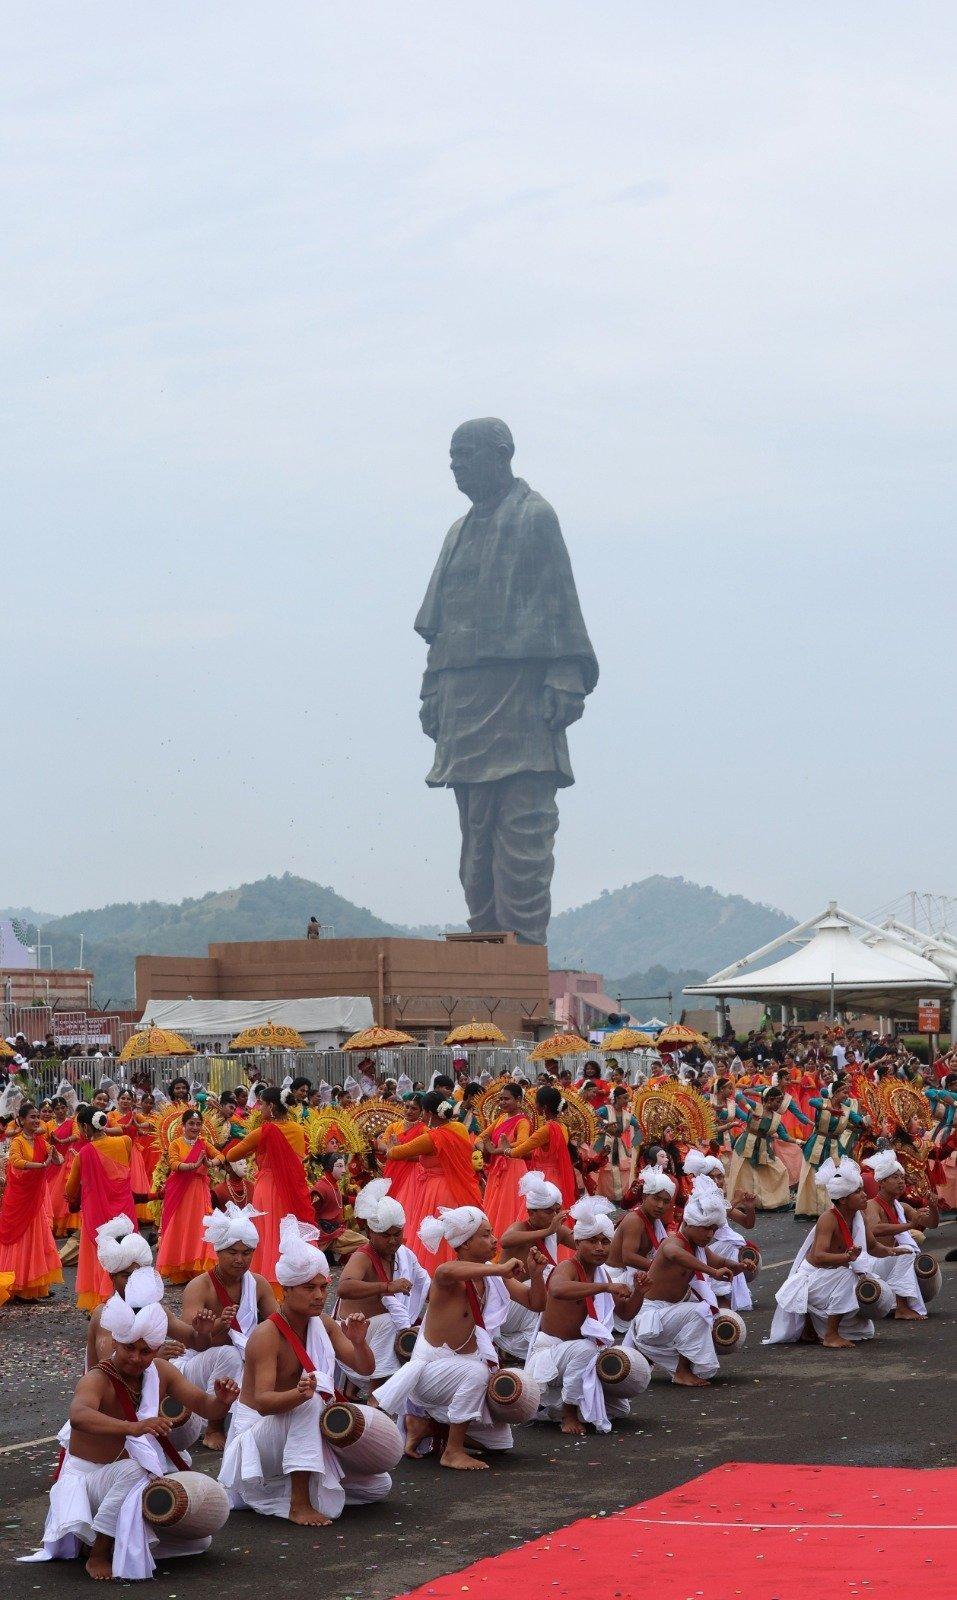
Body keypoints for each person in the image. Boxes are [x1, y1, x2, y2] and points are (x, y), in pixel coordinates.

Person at [416, 417, 598, 946]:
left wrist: (564, 677)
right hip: (464, 702)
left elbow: (560, 603)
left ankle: (522, 957)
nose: (455, 465)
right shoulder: (457, 532)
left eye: (464, 454)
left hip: (520, 699)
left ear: (501, 454)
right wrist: (431, 690)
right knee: (475, 845)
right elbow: (439, 625)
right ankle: (485, 952)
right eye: (451, 456)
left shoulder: (535, 517)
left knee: (523, 837)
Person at [23, 1268, 238, 1580]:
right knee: (135, 1469)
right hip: (88, 1483)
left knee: (196, 1542)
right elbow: (79, 1416)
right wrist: (132, 1427)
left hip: (124, 1483)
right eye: (129, 1349)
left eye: (145, 1351)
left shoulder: (161, 1371)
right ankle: (98, 1551)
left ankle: (107, 1540)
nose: (136, 1359)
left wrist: (221, 1400)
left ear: (155, 1350)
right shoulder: (98, 1377)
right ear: (117, 1343)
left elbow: (203, 1404)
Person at [219, 1215, 390, 1526]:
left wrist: (360, 1342)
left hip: (295, 1429)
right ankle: (298, 1502)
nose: (320, 1295)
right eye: (309, 1288)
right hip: (255, 1440)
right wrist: (299, 1395)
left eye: (324, 1287)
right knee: (311, 1402)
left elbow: (365, 1369)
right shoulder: (266, 1335)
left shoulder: (322, 1324)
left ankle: (291, 1487)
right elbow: (263, 1402)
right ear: (286, 1291)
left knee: (379, 1486)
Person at [375, 1206, 545, 1468]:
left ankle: (431, 1426)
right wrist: (499, 1270)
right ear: (464, 1243)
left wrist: (535, 1276)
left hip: (458, 1374)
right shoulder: (448, 1275)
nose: (494, 1240)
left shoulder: (490, 1275)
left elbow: (536, 1304)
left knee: (500, 1444)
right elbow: (447, 1272)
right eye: (486, 1235)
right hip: (430, 1374)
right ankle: (452, 1451)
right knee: (476, 1372)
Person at [525, 1195, 647, 1433]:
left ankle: (557, 1406)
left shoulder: (602, 1275)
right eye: (592, 1241)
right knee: (586, 1348)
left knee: (619, 1411)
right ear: (578, 1242)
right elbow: (558, 1289)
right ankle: (568, 1413)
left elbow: (625, 1313)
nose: (600, 1247)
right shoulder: (567, 1268)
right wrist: (605, 1288)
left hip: (579, 1357)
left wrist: (639, 1293)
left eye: (604, 1241)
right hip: (552, 1354)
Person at [766, 1158, 906, 1348]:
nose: (865, 1195)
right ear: (843, 1199)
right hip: (811, 1279)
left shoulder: (859, 1216)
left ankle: (811, 1329)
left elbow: (873, 1247)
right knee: (848, 1276)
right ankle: (830, 1334)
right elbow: (818, 1257)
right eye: (858, 1192)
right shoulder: (828, 1219)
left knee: (864, 1318)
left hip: (832, 1275)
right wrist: (847, 1258)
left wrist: (892, 1251)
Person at [176, 1203, 278, 1448]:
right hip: (196, 1366)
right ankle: (213, 1428)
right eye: (233, 1252)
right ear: (218, 1252)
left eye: (246, 1252)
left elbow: (278, 1325)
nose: (240, 1259)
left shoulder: (259, 1284)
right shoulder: (200, 1286)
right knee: (230, 1354)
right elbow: (188, 1338)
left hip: (244, 1361)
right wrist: (218, 1326)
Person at [626, 1176, 735, 1386]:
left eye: (713, 1229)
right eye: (705, 1228)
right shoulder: (673, 1241)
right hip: (651, 1317)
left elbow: (720, 1260)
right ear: (690, 1224)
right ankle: (681, 1371)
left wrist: (741, 1265)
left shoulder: (697, 1247)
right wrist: (712, 1271)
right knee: (702, 1310)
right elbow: (674, 1254)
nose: (710, 1234)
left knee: (706, 1309)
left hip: (666, 1313)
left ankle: (652, 1356)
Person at [334, 1178, 431, 1389]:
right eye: (385, 1235)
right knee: (391, 1321)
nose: (393, 1241)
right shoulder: (363, 1256)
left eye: (397, 1234)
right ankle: (375, 1392)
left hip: (376, 1337)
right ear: (370, 1234)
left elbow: (427, 1288)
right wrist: (387, 1287)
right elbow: (343, 1287)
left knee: (424, 1327)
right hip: (353, 1338)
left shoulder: (405, 1254)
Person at [379, 1091, 483, 1266]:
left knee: (435, 1234)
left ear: (427, 1113)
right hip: (458, 1187)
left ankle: (434, 1270)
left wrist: (391, 1147)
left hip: (436, 1191)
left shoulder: (432, 1138)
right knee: (455, 1232)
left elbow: (396, 1153)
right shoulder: (460, 1129)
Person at [225, 1086, 314, 1288]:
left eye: (262, 1104)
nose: (259, 1108)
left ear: (271, 1106)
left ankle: (269, 1281)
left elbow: (232, 1156)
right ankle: (297, 1277)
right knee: (290, 1230)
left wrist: (255, 1145)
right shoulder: (299, 1130)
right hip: (293, 1187)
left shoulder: (263, 1132)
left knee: (269, 1232)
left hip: (269, 1187)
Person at [64, 1106, 139, 1311]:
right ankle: (129, 1298)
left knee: (101, 1254)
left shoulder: (84, 1153)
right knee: (126, 1251)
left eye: (80, 1127)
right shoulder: (125, 1142)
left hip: (97, 1214)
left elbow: (70, 1191)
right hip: (124, 1211)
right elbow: (124, 1169)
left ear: (87, 1127)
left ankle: (103, 1301)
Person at [862, 1149, 938, 1319]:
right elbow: (875, 1229)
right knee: (906, 1250)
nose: (900, 1181)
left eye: (901, 1177)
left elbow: (932, 1224)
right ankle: (902, 1307)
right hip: (874, 1263)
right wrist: (909, 1225)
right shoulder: (871, 1205)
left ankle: (901, 1301)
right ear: (881, 1183)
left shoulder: (902, 1206)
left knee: (912, 1255)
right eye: (894, 1177)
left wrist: (933, 1207)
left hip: (892, 1262)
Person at [0, 1100, 63, 1303]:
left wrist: (56, 1155)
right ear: (22, 1120)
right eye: (32, 1117)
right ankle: (15, 1284)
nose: (36, 1120)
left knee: (36, 1237)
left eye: (38, 1116)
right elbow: (16, 1162)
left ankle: (31, 1286)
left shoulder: (41, 1141)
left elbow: (58, 1161)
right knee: (18, 1237)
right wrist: (41, 1164)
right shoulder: (17, 1141)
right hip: (19, 1197)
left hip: (35, 1198)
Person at [155, 1109, 220, 1284]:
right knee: (181, 1225)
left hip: (199, 1190)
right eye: (191, 1123)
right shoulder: (175, 1144)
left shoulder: (204, 1143)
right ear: (183, 1126)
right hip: (180, 1191)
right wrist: (194, 1165)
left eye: (198, 1124)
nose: (195, 1127)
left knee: (199, 1225)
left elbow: (221, 1156)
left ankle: (198, 1268)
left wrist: (210, 1163)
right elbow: (174, 1164)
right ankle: (180, 1268)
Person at [727, 1086, 810, 1212]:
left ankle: (773, 1201)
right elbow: (738, 1095)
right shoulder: (756, 1106)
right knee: (746, 1176)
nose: (779, 1105)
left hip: (762, 1148)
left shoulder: (776, 1118)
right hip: (746, 1145)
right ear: (770, 1099)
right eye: (777, 1101)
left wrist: (800, 1142)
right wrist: (751, 1110)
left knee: (780, 1170)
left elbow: (784, 1136)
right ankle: (746, 1203)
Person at [794, 1080, 865, 1220]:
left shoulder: (846, 1109)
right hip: (817, 1143)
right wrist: (828, 1109)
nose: (847, 1095)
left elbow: (858, 1120)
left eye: (847, 1092)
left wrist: (865, 1123)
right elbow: (811, 1102)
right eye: (844, 1092)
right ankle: (810, 1210)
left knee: (834, 1175)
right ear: (836, 1092)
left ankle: (829, 1208)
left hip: (834, 1146)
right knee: (812, 1175)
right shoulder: (823, 1102)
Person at [501, 1084, 576, 1208]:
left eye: (536, 1102)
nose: (535, 1106)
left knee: (541, 1217)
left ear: (544, 1107)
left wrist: (505, 1149)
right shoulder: (562, 1127)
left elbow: (517, 1151)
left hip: (545, 1179)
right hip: (558, 1176)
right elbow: (536, 1154)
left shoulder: (546, 1130)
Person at [481, 1082, 533, 1241]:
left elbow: (523, 1143)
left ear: (518, 1100)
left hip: (514, 1168)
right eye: (501, 1099)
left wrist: (501, 1149)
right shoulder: (501, 1118)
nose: (503, 1102)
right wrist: (486, 1148)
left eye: (507, 1099)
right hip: (498, 1168)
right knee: (496, 1203)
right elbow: (481, 1137)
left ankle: (510, 1240)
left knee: (509, 1204)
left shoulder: (522, 1121)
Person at [594, 1085, 640, 1203]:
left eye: (627, 1098)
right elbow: (593, 1117)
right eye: (624, 1098)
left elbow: (639, 1126)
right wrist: (604, 1126)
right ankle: (605, 1197)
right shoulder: (605, 1109)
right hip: (604, 1144)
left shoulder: (627, 1115)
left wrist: (636, 1144)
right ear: (617, 1098)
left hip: (619, 1146)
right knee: (605, 1169)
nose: (627, 1101)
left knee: (622, 1169)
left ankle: (620, 1197)